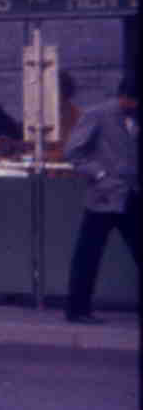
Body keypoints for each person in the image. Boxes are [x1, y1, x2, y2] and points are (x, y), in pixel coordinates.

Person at [61, 75, 139, 324]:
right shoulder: (97, 114)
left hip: (131, 194)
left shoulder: (134, 117)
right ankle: (77, 309)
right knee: (88, 254)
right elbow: (73, 151)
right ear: (125, 96)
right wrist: (99, 174)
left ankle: (78, 309)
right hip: (104, 194)